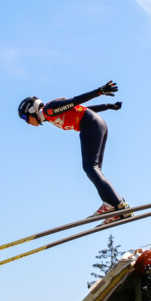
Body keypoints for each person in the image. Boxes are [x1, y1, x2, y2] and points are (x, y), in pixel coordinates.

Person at [18, 81, 130, 223]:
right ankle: (114, 206)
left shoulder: (49, 110)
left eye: (25, 117)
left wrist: (99, 91)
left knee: (90, 168)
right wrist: (107, 106)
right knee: (95, 169)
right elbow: (81, 108)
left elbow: (74, 101)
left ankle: (116, 205)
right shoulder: (49, 115)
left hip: (90, 125)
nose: (27, 122)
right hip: (96, 123)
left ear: (32, 110)